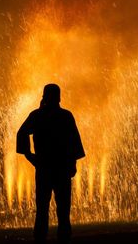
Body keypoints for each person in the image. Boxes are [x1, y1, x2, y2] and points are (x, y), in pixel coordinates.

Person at [16, 84, 85, 244]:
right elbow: (73, 141)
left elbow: (22, 133)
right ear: (58, 97)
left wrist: (29, 156)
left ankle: (40, 239)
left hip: (44, 168)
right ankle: (64, 238)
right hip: (61, 168)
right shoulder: (65, 116)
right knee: (63, 209)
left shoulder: (37, 115)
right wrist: (72, 164)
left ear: (44, 96)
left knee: (42, 209)